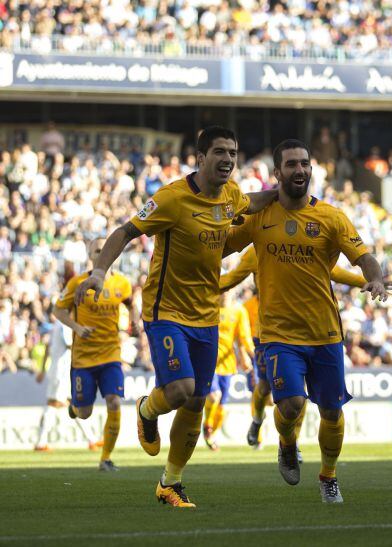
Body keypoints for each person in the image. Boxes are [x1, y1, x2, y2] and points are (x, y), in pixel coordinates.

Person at [74, 126, 278, 508]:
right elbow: (125, 231)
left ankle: (171, 482)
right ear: (200, 158)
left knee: (196, 402)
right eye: (219, 152)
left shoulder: (231, 195)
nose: (228, 160)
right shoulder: (171, 198)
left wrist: (283, 193)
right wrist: (99, 272)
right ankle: (146, 409)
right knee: (182, 388)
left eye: (233, 153)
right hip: (165, 310)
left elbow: (250, 201)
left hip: (206, 314)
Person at [224, 139, 387, 504]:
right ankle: (286, 443)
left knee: (331, 410)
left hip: (325, 333)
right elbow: (221, 246)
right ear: (277, 173)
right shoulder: (258, 217)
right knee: (291, 405)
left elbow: (363, 256)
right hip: (279, 334)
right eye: (292, 164)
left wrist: (373, 277)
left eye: (304, 164)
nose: (300, 170)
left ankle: (328, 476)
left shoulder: (330, 217)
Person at [218, 244, 380, 450]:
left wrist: (366, 281)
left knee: (298, 394)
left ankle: (291, 443)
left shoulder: (296, 243)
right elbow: (231, 278)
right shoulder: (255, 251)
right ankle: (258, 420)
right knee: (265, 386)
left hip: (301, 330)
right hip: (268, 331)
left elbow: (331, 270)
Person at [52, 238, 133, 471]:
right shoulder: (78, 282)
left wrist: (134, 320)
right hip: (83, 359)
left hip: (111, 355)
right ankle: (75, 407)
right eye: (98, 250)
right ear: (90, 256)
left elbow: (130, 303)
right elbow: (58, 310)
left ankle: (105, 459)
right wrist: (77, 328)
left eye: (105, 249)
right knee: (84, 413)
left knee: (115, 403)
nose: (102, 253)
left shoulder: (122, 283)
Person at [33, 320, 101, 452]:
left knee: (73, 404)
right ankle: (41, 443)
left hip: (61, 370)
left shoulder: (56, 325)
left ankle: (92, 440)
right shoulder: (65, 325)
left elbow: (48, 346)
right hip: (62, 371)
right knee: (54, 404)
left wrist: (42, 369)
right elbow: (71, 344)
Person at [203, 291, 254, 451]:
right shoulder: (209, 308)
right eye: (221, 289)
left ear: (233, 291)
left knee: (223, 406)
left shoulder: (238, 311)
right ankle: (207, 426)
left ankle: (211, 433)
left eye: (228, 289)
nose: (224, 293)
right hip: (208, 362)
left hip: (228, 363)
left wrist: (249, 355)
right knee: (214, 395)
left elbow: (243, 338)